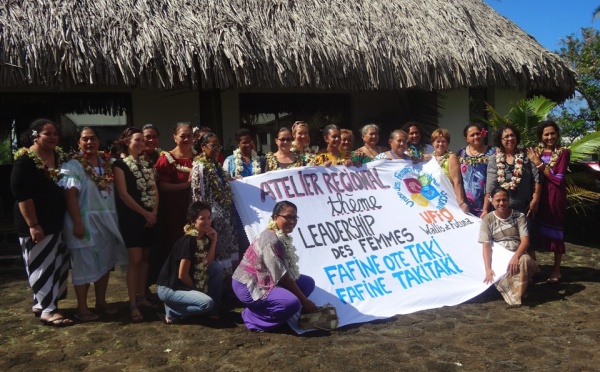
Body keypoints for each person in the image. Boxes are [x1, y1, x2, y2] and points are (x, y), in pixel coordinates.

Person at [59, 127, 127, 322]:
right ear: (79, 142)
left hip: (107, 221)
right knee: (83, 265)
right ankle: (82, 307)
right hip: (84, 221)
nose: (89, 143)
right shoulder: (73, 165)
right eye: (85, 139)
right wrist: (77, 223)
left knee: (105, 263)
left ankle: (101, 301)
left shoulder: (108, 163)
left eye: (93, 139)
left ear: (99, 141)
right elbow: (69, 195)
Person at [11, 119, 73, 326]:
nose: (53, 137)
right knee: (41, 265)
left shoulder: (59, 156)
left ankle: (41, 303)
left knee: (56, 264)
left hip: (56, 220)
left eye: (55, 133)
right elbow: (23, 195)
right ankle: (48, 310)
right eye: (48, 133)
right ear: (35, 135)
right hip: (36, 223)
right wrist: (34, 225)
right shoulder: (25, 160)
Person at [232, 201, 318, 332]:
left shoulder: (280, 236)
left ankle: (277, 311)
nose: (292, 221)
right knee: (292, 303)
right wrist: (305, 302)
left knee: (308, 283)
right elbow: (282, 277)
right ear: (275, 218)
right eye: (288, 217)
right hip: (248, 284)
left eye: (294, 218)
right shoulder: (271, 240)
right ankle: (253, 317)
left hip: (267, 278)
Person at [113, 127, 159, 322]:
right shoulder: (119, 165)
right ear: (126, 142)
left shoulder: (146, 163)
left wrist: (154, 212)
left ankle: (141, 296)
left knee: (146, 258)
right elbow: (124, 195)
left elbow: (154, 190)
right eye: (137, 140)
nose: (141, 144)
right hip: (132, 217)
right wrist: (145, 213)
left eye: (143, 140)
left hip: (149, 216)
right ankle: (132, 303)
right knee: (136, 259)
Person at [157, 201, 222, 323]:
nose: (207, 222)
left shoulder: (204, 238)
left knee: (216, 268)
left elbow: (208, 262)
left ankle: (214, 310)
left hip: (184, 284)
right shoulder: (189, 241)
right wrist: (198, 290)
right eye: (202, 218)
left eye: (209, 218)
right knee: (206, 303)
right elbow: (182, 275)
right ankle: (172, 311)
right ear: (193, 221)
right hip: (171, 288)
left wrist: (214, 241)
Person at [480, 187, 539, 306]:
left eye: (504, 200)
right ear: (492, 201)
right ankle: (519, 290)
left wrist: (516, 257)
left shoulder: (519, 216)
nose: (501, 203)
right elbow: (486, 245)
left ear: (508, 200)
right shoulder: (487, 219)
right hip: (500, 255)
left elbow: (525, 241)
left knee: (526, 261)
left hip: (517, 252)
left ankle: (515, 294)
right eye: (498, 200)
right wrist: (488, 269)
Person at [526, 121, 570, 283]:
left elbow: (557, 178)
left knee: (556, 230)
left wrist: (538, 163)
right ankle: (535, 266)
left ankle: (556, 269)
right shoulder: (534, 151)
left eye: (552, 133)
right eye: (546, 134)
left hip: (554, 195)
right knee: (531, 228)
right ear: (541, 136)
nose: (550, 137)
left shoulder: (563, 152)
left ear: (557, 134)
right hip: (536, 195)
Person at [191, 133, 240, 271]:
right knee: (217, 252)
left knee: (230, 252)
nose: (217, 149)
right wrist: (205, 220)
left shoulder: (217, 165)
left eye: (218, 146)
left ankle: (231, 283)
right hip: (213, 219)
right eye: (213, 145)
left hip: (226, 218)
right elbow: (198, 196)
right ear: (203, 147)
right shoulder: (200, 167)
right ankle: (220, 284)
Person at [482, 124, 541, 220]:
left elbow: (537, 178)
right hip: (503, 210)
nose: (510, 138)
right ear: (500, 140)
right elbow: (490, 186)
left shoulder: (527, 155)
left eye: (512, 135)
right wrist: (485, 209)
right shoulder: (494, 159)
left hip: (526, 208)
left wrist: (535, 200)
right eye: (506, 137)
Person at [155, 122, 195, 255]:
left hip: (196, 210)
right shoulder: (166, 158)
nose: (186, 139)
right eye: (183, 136)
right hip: (174, 211)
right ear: (175, 137)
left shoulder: (199, 157)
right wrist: (185, 185)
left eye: (189, 136)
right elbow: (161, 186)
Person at [457, 124, 496, 217]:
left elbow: (493, 180)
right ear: (466, 139)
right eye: (472, 135)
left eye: (478, 134)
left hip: (488, 202)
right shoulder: (461, 153)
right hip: (466, 205)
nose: (476, 137)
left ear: (482, 134)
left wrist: (486, 208)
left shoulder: (492, 151)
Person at [430, 129, 469, 213]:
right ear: (433, 143)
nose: (440, 144)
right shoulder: (429, 158)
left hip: (448, 198)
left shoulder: (451, 157)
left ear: (447, 144)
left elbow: (457, 182)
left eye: (443, 141)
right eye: (438, 141)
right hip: (433, 199)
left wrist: (461, 202)